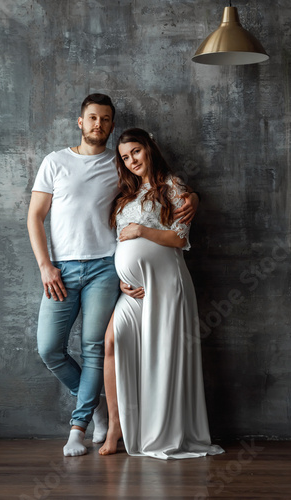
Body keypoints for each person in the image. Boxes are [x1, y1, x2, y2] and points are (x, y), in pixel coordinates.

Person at [27, 94, 199, 457]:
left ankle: (79, 428)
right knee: (49, 348)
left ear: (112, 124)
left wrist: (193, 197)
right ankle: (97, 407)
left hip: (106, 271)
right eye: (92, 118)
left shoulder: (118, 165)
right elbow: (35, 216)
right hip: (63, 268)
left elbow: (163, 191)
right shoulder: (56, 161)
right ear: (80, 121)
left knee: (96, 347)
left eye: (105, 120)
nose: (98, 125)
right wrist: (45, 265)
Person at [99, 128, 224, 460]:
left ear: (149, 148)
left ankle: (161, 431)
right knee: (111, 342)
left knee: (162, 356)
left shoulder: (174, 186)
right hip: (134, 291)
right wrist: (121, 279)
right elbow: (120, 244)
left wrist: (142, 230)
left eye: (136, 151)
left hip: (167, 284)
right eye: (125, 157)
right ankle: (117, 426)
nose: (132, 160)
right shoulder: (125, 194)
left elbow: (179, 239)